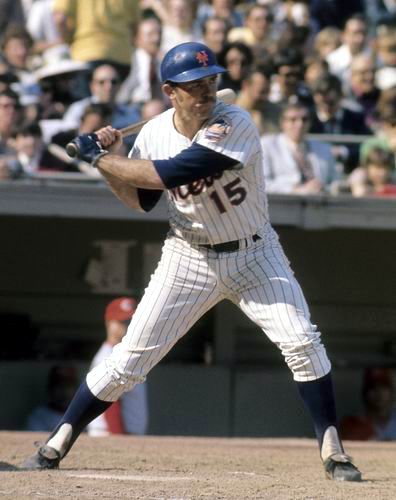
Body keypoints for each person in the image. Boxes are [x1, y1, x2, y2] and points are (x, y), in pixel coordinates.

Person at [21, 41, 362, 482]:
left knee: (303, 342)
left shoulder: (234, 121)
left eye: (209, 83)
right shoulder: (153, 134)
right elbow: (140, 200)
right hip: (188, 255)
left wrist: (100, 156)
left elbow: (176, 172)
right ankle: (59, 440)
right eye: (192, 86)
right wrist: (107, 165)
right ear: (170, 91)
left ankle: (333, 448)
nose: (204, 93)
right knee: (128, 362)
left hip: (255, 252)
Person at [88, 297, 149, 436]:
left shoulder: (123, 354)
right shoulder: (107, 357)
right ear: (109, 323)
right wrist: (118, 438)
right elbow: (108, 402)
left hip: (121, 433)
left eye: (131, 322)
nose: (128, 327)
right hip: (109, 434)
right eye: (123, 322)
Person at [261, 101, 338, 194]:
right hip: (283, 204)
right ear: (283, 123)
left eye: (304, 119)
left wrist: (322, 187)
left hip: (320, 202)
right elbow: (262, 184)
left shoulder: (323, 148)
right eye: (293, 119)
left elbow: (334, 181)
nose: (300, 124)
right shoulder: (268, 145)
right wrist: (296, 190)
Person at [340, 368, 396, 440]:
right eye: (373, 388)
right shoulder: (352, 424)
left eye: (383, 387)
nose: (379, 393)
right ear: (365, 392)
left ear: (391, 391)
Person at [26, 365, 79, 432]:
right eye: (59, 384)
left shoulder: (83, 414)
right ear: (50, 387)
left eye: (68, 385)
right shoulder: (39, 416)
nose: (64, 389)